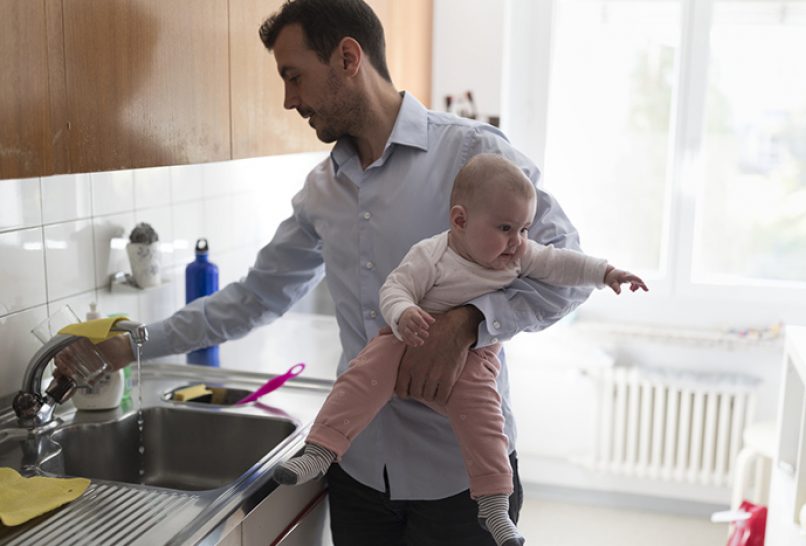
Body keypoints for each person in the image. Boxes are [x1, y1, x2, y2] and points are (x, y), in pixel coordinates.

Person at [60, 0, 595, 543]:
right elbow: (254, 297)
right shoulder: (322, 191)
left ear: (347, 57)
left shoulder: (471, 154)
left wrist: (471, 321)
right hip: (359, 478)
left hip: (461, 485)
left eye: (295, 77)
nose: (289, 100)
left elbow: (565, 272)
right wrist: (131, 345)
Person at [274, 153, 648, 546]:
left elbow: (560, 264)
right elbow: (395, 288)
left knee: (486, 424)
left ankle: (493, 503)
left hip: (475, 360)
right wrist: (404, 313)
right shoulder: (432, 253)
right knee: (362, 376)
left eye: (523, 229)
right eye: (505, 228)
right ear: (460, 221)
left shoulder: (518, 255)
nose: (518, 242)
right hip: (409, 336)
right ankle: (321, 450)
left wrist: (605, 272)